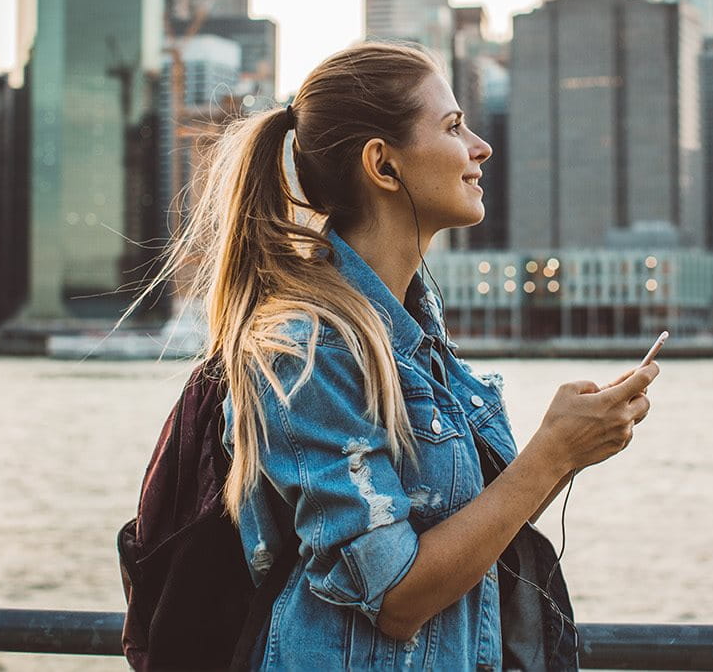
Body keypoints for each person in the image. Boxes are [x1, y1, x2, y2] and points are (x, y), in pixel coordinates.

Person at [158, 41, 656, 669]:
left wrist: (569, 452)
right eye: (453, 127)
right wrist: (550, 454)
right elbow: (394, 595)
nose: (481, 147)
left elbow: (464, 535)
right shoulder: (306, 350)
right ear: (383, 166)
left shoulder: (419, 342)